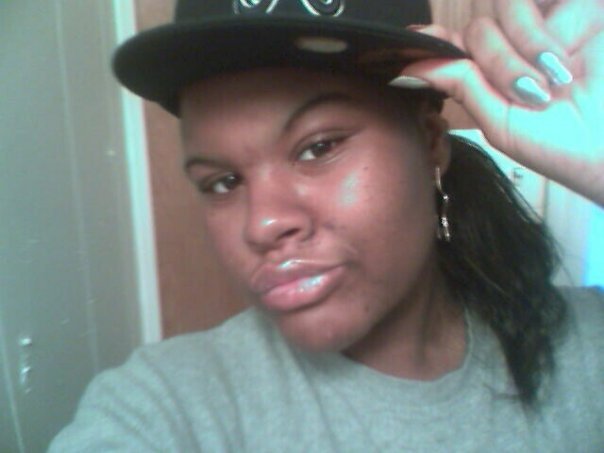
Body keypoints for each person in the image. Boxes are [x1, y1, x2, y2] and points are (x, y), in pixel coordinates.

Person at [50, 0, 604, 450]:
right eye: (223, 182)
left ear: (430, 141)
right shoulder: (167, 405)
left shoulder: (585, 353)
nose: (263, 224)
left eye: (318, 147)